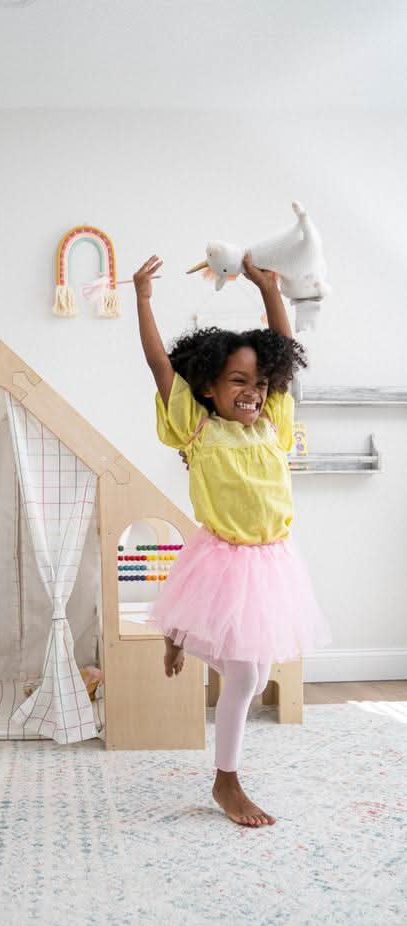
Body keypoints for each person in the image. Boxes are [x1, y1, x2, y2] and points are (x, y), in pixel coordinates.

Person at [134, 252, 331, 828]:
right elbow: (157, 367)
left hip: (271, 563)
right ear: (210, 389)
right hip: (222, 558)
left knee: (254, 667)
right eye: (237, 381)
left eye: (258, 381)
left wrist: (268, 289)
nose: (251, 391)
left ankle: (182, 632)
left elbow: (282, 351)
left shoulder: (273, 423)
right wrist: (144, 301)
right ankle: (227, 782)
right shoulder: (195, 428)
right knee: (245, 676)